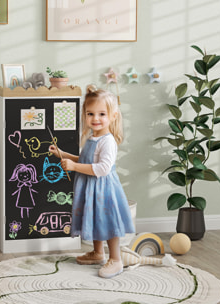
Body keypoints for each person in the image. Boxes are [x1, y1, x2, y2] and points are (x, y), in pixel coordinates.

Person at [49, 85, 135, 278]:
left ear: (113, 116)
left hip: (104, 189)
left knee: (108, 222)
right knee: (96, 220)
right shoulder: (92, 137)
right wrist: (63, 154)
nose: (95, 119)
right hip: (91, 188)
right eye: (90, 114)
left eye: (102, 114)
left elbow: (102, 168)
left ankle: (116, 259)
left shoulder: (108, 141)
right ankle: (98, 253)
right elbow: (86, 160)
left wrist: (73, 167)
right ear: (85, 115)